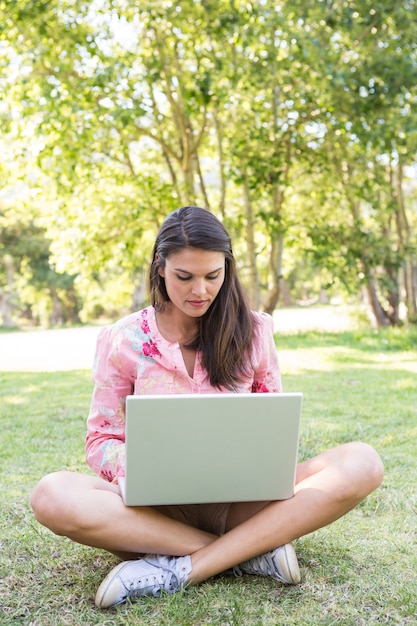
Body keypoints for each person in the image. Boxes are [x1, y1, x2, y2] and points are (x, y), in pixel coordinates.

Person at [31, 206, 384, 609]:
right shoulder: (122, 339)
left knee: (363, 462)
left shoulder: (253, 331)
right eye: (185, 276)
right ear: (160, 268)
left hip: (241, 502)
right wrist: (145, 466)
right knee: (51, 494)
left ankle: (185, 568)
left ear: (226, 270)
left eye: (212, 276)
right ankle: (247, 552)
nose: (199, 290)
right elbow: (101, 438)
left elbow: (272, 426)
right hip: (153, 511)